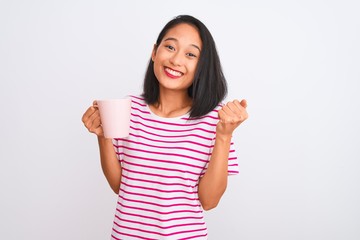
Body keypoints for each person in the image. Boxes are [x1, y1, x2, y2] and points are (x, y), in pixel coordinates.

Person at [82, 15, 248, 240]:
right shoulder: (128, 109)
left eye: (190, 54)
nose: (176, 60)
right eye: (170, 47)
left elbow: (209, 202)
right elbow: (122, 187)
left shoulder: (214, 120)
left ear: (201, 66)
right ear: (154, 52)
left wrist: (223, 136)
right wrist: (104, 137)